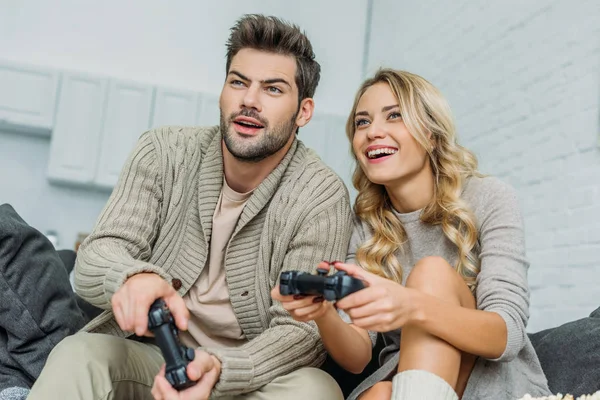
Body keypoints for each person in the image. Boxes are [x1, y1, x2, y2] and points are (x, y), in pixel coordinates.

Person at [28, 14, 352, 400]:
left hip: (251, 377)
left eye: (273, 89)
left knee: (317, 390)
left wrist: (220, 368)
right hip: (153, 361)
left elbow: (301, 332)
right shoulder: (163, 152)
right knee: (78, 353)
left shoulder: (321, 194)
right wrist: (132, 276)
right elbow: (97, 254)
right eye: (238, 82)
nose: (249, 100)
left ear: (304, 111)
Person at [273, 69, 552, 400]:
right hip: (405, 380)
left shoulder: (489, 197)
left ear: (431, 134)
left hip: (488, 383)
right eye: (362, 123)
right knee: (376, 393)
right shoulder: (365, 225)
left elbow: (508, 335)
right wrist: (323, 315)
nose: (373, 132)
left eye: (395, 116)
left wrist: (410, 305)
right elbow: (357, 356)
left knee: (432, 274)